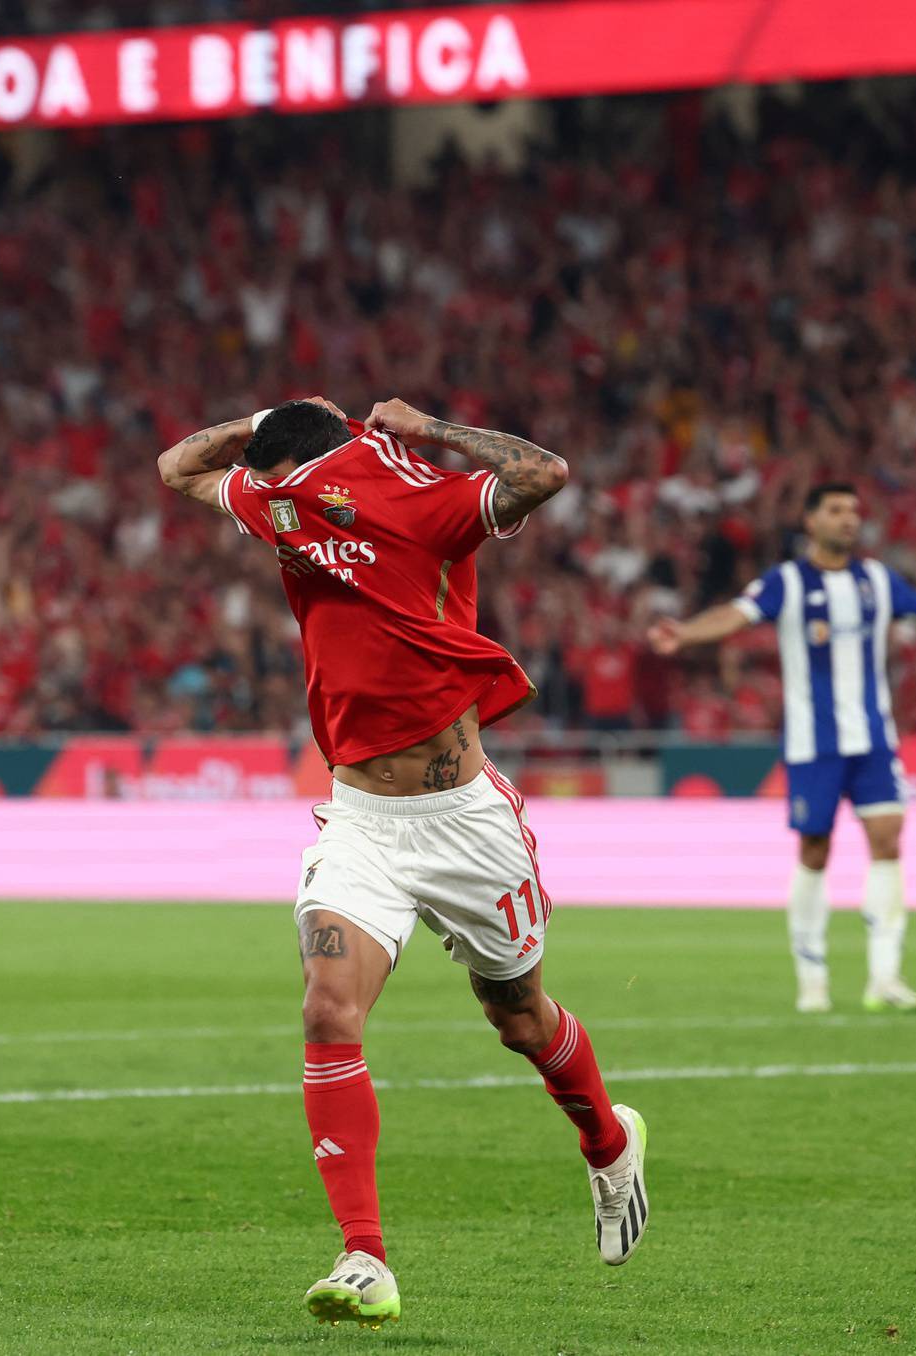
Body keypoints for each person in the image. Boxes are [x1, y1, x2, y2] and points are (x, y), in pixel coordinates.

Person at [158, 397, 649, 1329]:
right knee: (326, 1007)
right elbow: (177, 469)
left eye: (270, 476)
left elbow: (546, 474)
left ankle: (608, 1140)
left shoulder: (423, 501)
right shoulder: (284, 499)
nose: (264, 502)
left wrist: (430, 431)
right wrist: (264, 423)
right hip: (361, 823)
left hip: (465, 824)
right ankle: (365, 1257)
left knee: (518, 1017)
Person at [647, 482, 916, 1014]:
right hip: (813, 743)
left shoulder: (877, 580)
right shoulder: (787, 582)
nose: (849, 519)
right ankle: (812, 982)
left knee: (888, 840)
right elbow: (735, 614)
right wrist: (685, 633)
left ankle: (885, 978)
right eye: (835, 510)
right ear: (810, 521)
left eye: (854, 510)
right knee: (815, 850)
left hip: (873, 738)